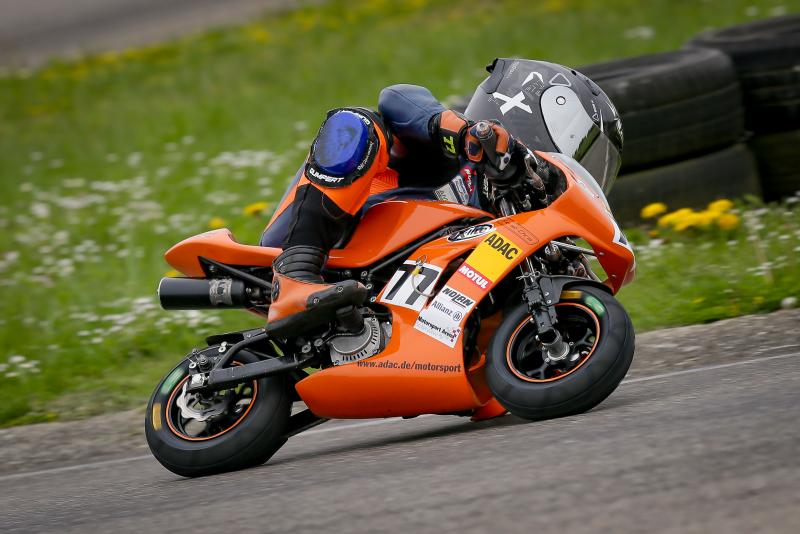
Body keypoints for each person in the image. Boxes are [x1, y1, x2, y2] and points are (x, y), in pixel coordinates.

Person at [262, 58, 624, 332]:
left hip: (375, 302)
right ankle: (296, 276)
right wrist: (462, 132)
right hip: (319, 242)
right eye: (582, 147)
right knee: (357, 122)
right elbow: (396, 97)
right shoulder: (452, 151)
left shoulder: (521, 225)